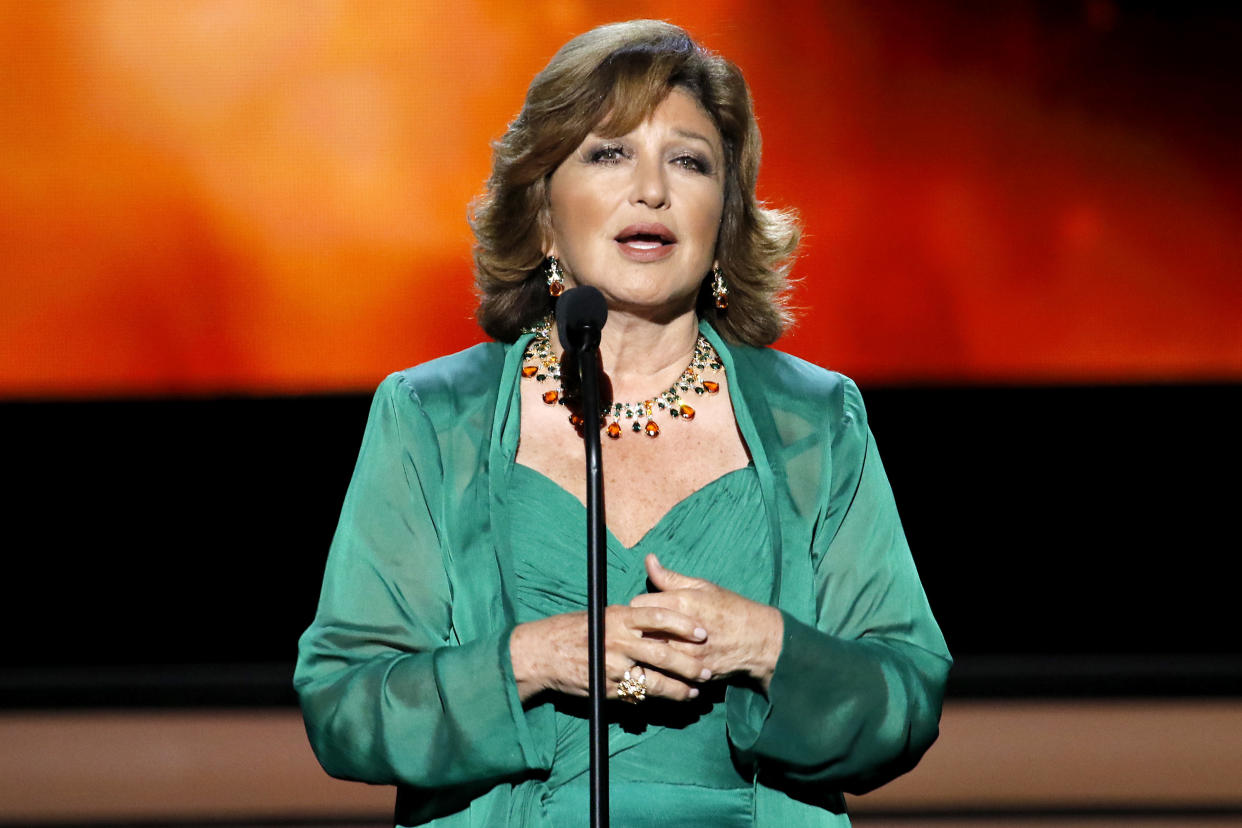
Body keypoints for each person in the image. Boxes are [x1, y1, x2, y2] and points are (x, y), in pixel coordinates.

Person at [295, 19, 950, 828]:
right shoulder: (433, 419)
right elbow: (344, 705)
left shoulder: (815, 420)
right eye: (609, 153)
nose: (653, 190)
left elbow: (908, 696)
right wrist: (535, 660)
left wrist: (765, 645)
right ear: (541, 212)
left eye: (689, 160)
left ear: (724, 218)